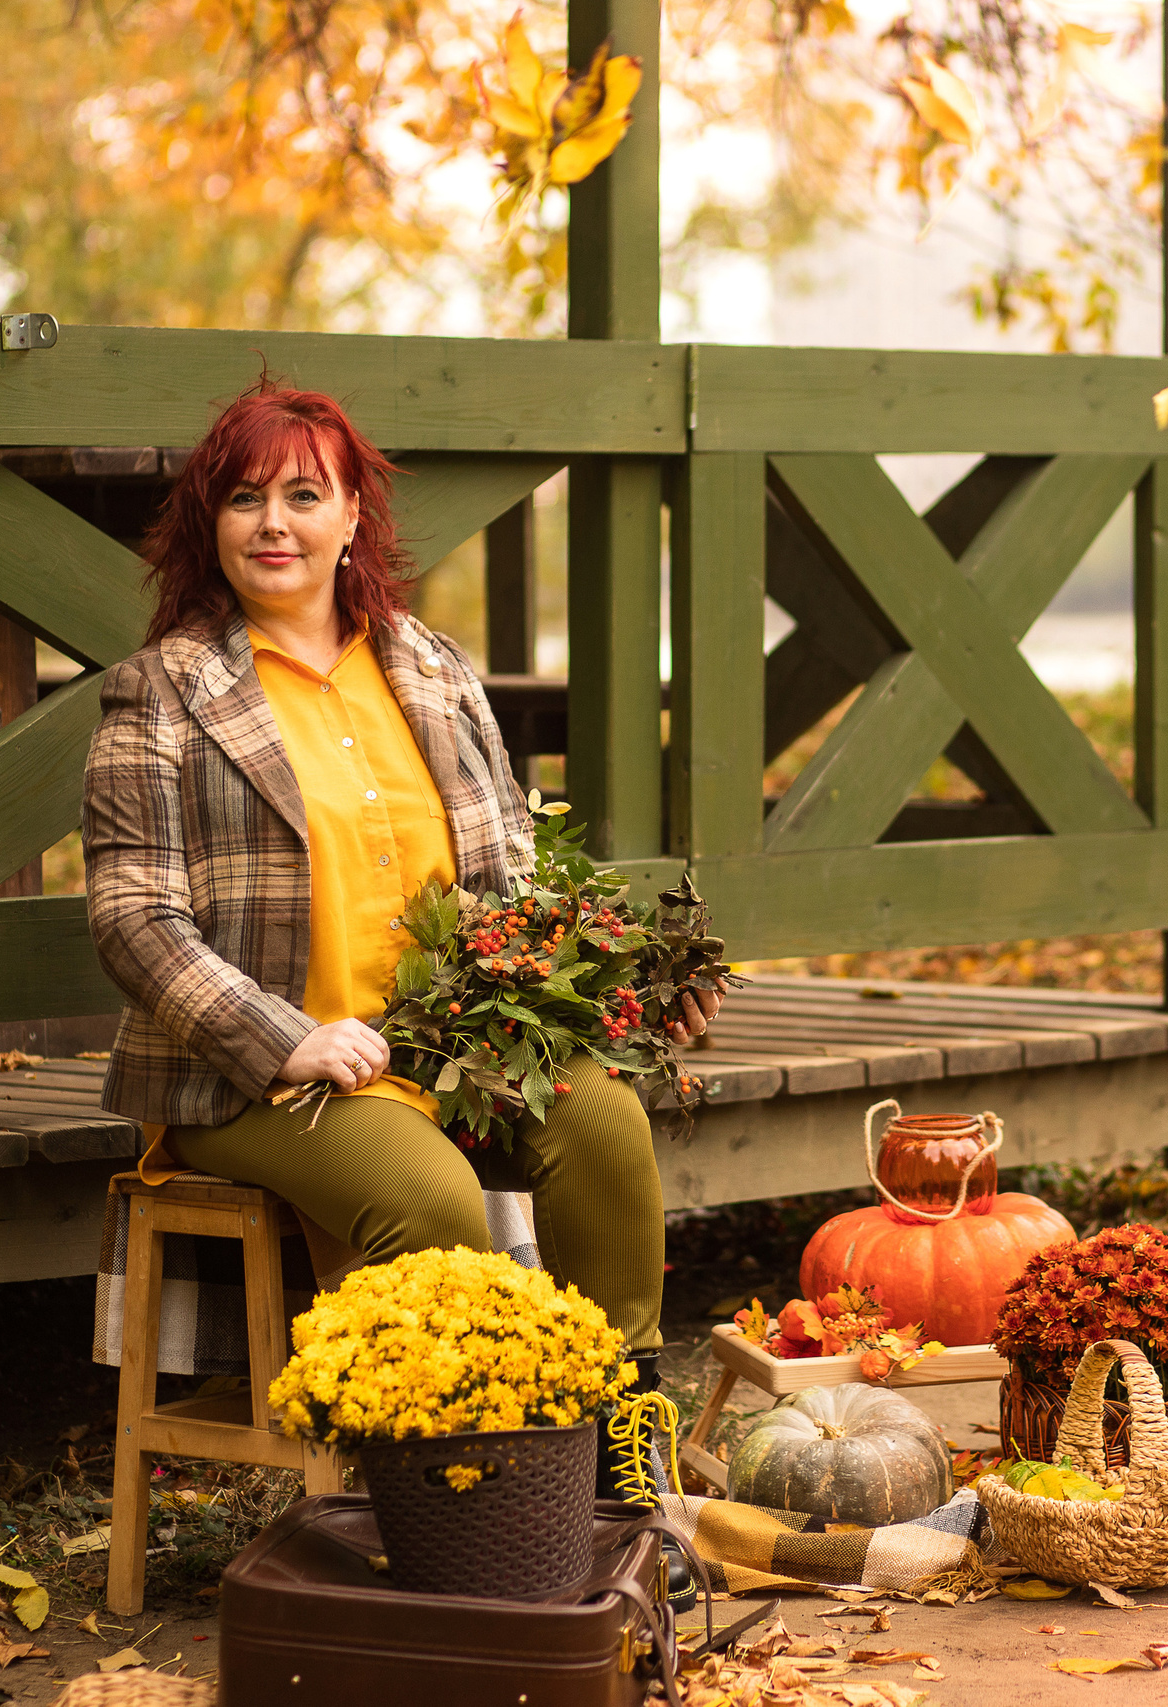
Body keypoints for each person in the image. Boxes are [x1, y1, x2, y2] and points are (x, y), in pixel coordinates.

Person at [81, 379, 715, 1484]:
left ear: (351, 518)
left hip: (451, 1043)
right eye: (243, 499)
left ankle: (617, 1450)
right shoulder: (163, 694)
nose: (273, 523)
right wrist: (285, 1038)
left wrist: (628, 989)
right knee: (429, 1197)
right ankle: (474, 1484)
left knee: (604, 1122)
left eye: (302, 495)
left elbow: (514, 871)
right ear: (209, 525)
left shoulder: (431, 668)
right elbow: (134, 918)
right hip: (255, 1075)